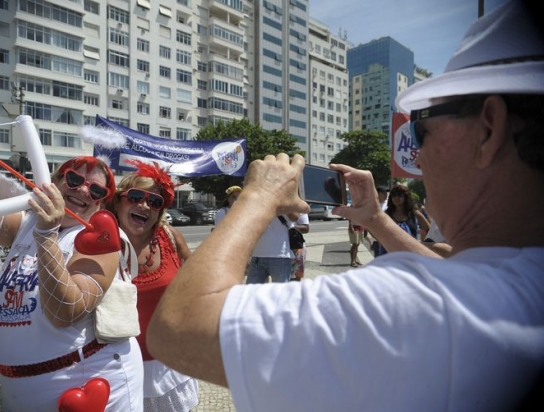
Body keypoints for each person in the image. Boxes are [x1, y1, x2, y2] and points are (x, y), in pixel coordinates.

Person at [146, 2, 544, 411]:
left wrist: (258, 197)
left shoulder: (413, 306)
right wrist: (375, 219)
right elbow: (456, 277)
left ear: (489, 128)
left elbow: (179, 327)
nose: (417, 158)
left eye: (421, 129)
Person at [0, 123, 144, 411]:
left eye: (95, 190)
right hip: (21, 389)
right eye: (73, 178)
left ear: (101, 203)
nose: (82, 189)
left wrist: (46, 236)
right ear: (54, 180)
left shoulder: (100, 238)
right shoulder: (27, 223)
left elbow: (65, 310)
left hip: (88, 383)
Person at [106, 160, 199, 412]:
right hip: (115, 368)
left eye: (154, 202)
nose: (144, 205)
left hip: (168, 365)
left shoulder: (170, 237)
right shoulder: (99, 241)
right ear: (118, 202)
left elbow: (198, 281)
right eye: (136, 197)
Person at [376, 184, 430, 255]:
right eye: (394, 195)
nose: (396, 198)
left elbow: (428, 229)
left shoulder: (414, 213)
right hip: (389, 254)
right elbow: (377, 231)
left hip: (409, 254)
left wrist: (421, 244)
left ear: (406, 197)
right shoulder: (386, 214)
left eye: (399, 195)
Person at [246, 213, 293, 284]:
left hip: (279, 255)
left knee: (280, 292)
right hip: (257, 256)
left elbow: (295, 217)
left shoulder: (287, 201)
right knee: (251, 292)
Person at [288, 213, 309, 281]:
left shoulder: (299, 208)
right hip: (277, 250)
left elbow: (306, 228)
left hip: (296, 248)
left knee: (295, 279)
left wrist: (290, 227)